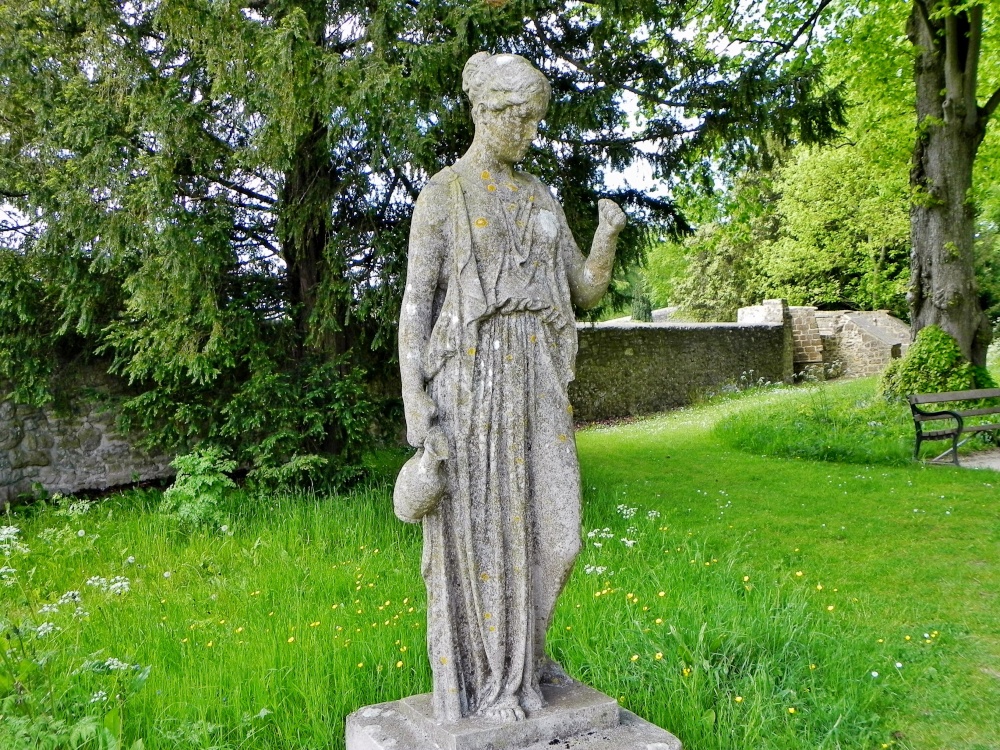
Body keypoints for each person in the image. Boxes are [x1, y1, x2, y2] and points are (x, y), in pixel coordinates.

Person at [397, 51, 625, 724]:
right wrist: (416, 400)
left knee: (560, 535)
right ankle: (498, 681)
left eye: (535, 120)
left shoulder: (540, 197)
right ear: (484, 112)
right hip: (471, 382)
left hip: (538, 375)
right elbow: (416, 304)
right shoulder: (444, 195)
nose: (530, 133)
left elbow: (584, 289)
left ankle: (529, 653)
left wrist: (607, 236)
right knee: (487, 537)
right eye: (519, 119)